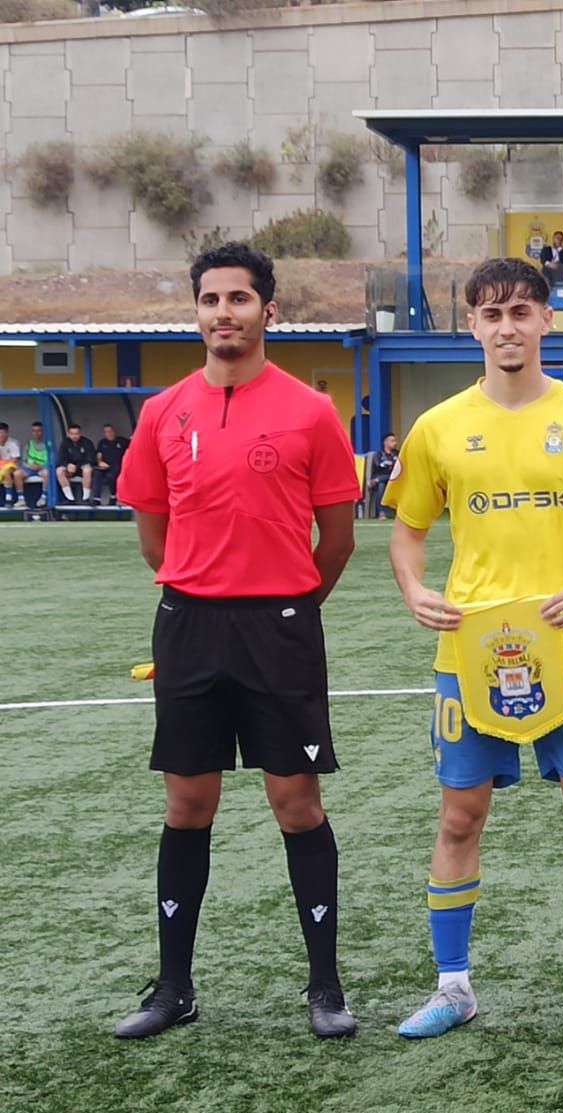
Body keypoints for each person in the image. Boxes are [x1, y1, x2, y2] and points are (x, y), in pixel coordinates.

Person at [384, 258, 563, 1040]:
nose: (507, 326)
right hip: (470, 654)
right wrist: (414, 589)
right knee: (460, 815)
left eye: (521, 311)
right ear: (471, 325)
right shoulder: (439, 428)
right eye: (491, 313)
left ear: (547, 320)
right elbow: (407, 535)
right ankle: (453, 985)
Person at [112, 242, 360, 1041]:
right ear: (197, 312)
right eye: (211, 300)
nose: (225, 313)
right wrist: (202, 587)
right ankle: (174, 986)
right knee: (188, 802)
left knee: (296, 803)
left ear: (269, 312)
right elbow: (154, 534)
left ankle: (324, 986)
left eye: (240, 299)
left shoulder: (310, 411)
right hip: (189, 624)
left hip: (280, 627)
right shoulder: (163, 411)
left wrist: (286, 600)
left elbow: (339, 538)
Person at [55, 422, 97, 502]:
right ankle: (69, 498)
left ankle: (86, 498)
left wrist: (77, 466)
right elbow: (60, 459)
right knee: (59, 471)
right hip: (70, 470)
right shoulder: (65, 443)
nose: (74, 436)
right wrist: (67, 465)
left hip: (82, 468)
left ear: (80, 433)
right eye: (72, 434)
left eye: (76, 433)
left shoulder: (87, 442)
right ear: (68, 434)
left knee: (87, 469)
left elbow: (91, 459)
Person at [92, 422, 129, 505]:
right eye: (107, 432)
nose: (109, 433)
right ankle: (96, 499)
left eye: (111, 431)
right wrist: (100, 462)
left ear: (114, 431)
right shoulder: (102, 443)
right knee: (97, 473)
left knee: (111, 475)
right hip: (105, 466)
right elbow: (98, 455)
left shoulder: (122, 441)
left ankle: (113, 496)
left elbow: (132, 448)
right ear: (104, 433)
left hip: (118, 466)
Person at [365, 432, 398, 519]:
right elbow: (379, 465)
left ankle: (378, 480)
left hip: (394, 479)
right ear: (385, 442)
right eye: (392, 441)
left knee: (383, 480)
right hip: (382, 480)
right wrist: (389, 464)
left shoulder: (397, 454)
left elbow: (398, 467)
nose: (395, 443)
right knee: (381, 485)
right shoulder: (378, 454)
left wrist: (388, 465)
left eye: (395, 441)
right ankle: (381, 512)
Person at [20, 421, 49, 506]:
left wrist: (41, 466)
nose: (36, 433)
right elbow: (23, 461)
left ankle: (43, 497)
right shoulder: (29, 444)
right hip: (30, 469)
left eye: (39, 431)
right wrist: (30, 466)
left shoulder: (48, 444)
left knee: (47, 473)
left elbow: (52, 460)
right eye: (34, 431)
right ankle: (21, 499)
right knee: (17, 474)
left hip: (43, 468)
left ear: (43, 432)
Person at [0, 422, 25, 507]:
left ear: (7, 433)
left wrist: (3, 464)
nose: (1, 435)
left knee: (6, 471)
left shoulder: (13, 443)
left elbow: (14, 461)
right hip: (1, 468)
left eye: (3, 433)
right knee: (3, 471)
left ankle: (9, 498)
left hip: (12, 467)